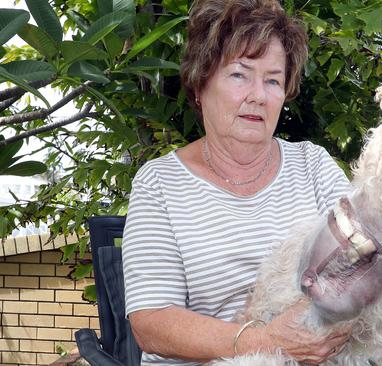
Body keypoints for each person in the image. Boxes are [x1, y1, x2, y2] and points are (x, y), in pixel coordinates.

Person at [121, 0, 352, 364]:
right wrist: (264, 341)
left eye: (273, 80)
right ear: (200, 84)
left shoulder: (313, 166)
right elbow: (151, 323)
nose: (258, 96)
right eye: (239, 75)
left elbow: (368, 263)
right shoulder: (160, 185)